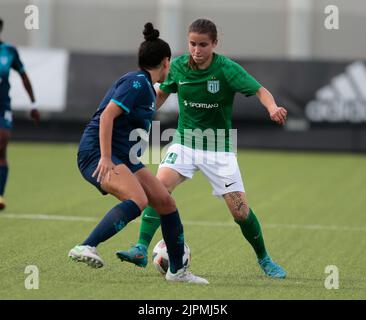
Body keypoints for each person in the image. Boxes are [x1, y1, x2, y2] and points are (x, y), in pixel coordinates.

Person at [116, 19, 287, 279]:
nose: (197, 50)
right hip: (184, 142)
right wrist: (143, 113)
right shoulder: (179, 67)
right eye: (193, 44)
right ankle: (140, 247)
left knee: (240, 212)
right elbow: (161, 93)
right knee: (158, 191)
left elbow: (260, 90)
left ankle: (264, 259)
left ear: (215, 44)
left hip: (219, 148)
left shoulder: (227, 69)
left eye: (203, 45)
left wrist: (272, 107)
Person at [68, 23, 208, 284]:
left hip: (126, 157)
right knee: (138, 200)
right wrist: (106, 158)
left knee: (165, 202)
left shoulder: (147, 88)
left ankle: (178, 271)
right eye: (170, 62)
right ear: (165, 62)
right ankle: (86, 246)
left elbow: (149, 104)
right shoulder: (135, 82)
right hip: (98, 153)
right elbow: (108, 115)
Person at [0, 18, 40, 210]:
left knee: (1, 147)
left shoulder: (9, 51)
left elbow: (23, 76)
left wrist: (33, 103)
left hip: (3, 108)